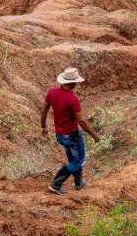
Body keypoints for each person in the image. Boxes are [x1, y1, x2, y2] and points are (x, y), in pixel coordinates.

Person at [40, 67, 100, 195]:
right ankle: (56, 184)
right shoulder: (72, 98)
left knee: (74, 157)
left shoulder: (52, 92)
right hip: (71, 135)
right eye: (76, 82)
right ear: (72, 83)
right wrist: (94, 135)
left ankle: (79, 183)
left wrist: (43, 126)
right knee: (79, 159)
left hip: (60, 135)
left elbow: (44, 110)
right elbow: (82, 121)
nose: (76, 84)